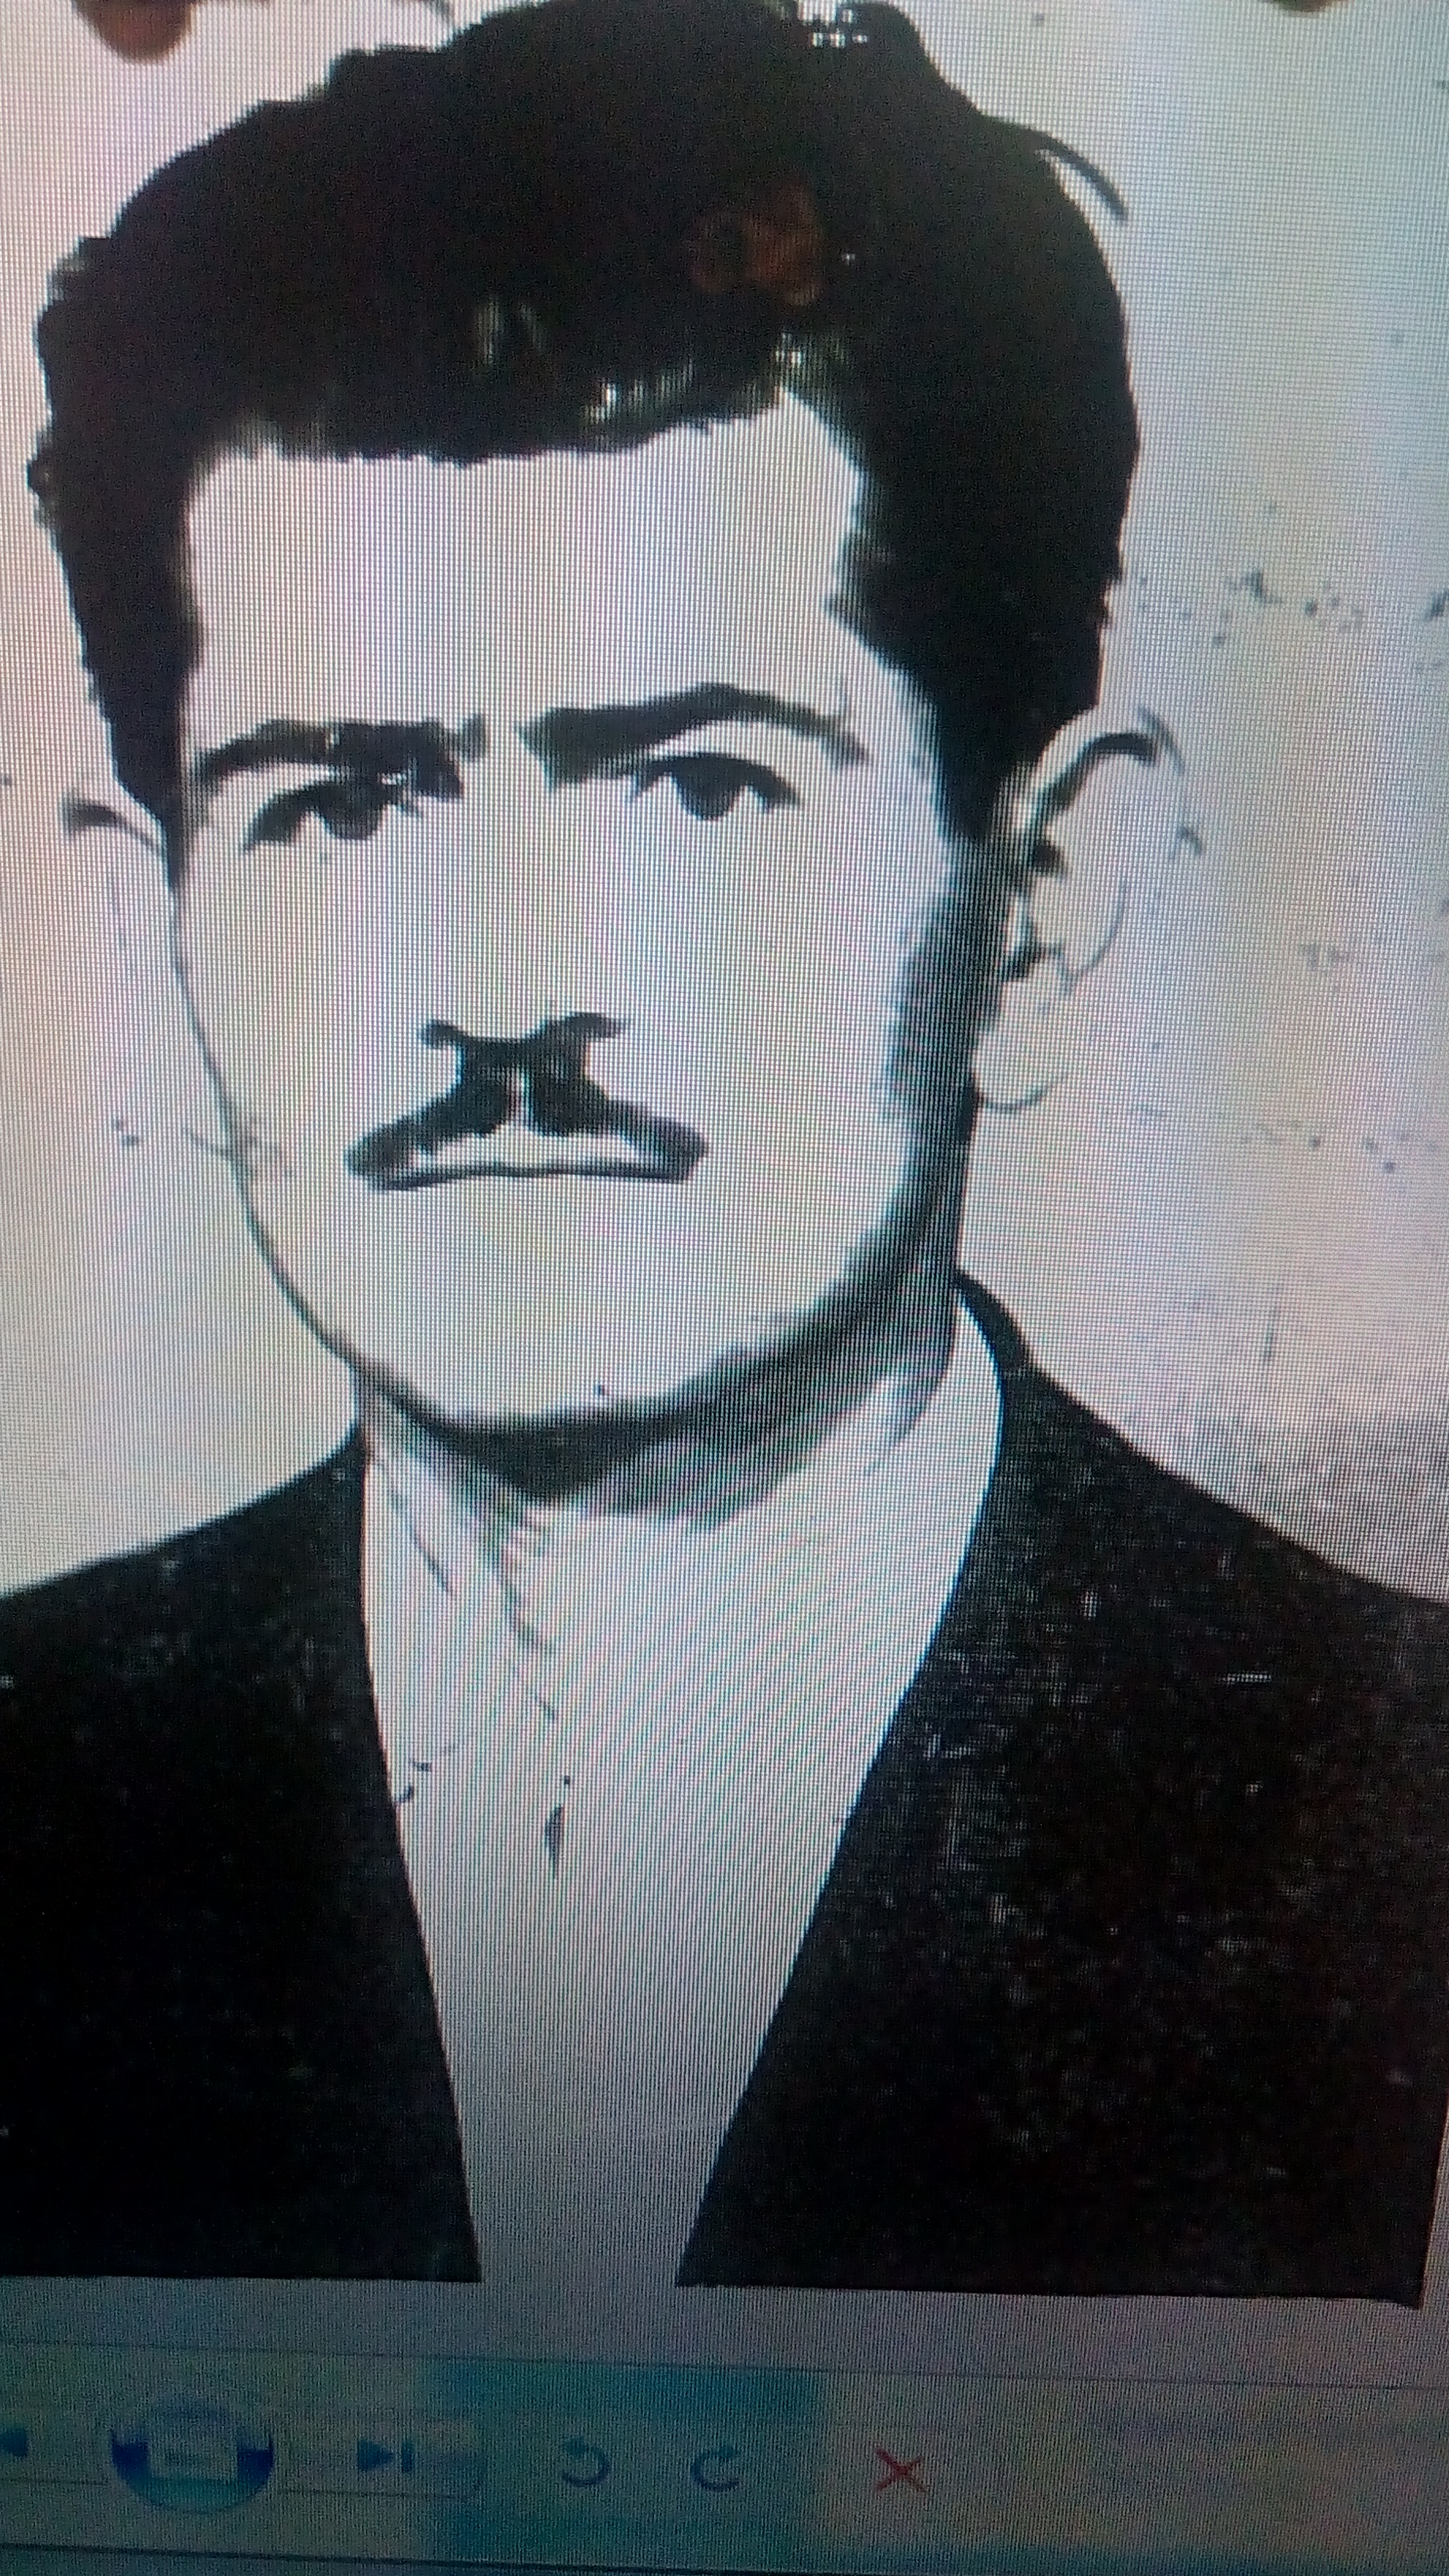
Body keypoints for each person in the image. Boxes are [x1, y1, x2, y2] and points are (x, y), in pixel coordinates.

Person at [4, 0, 1447, 2307]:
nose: (502, 985)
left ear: (1046, 893)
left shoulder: (1389, 1790)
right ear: (146, 909)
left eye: (696, 785)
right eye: (343, 804)